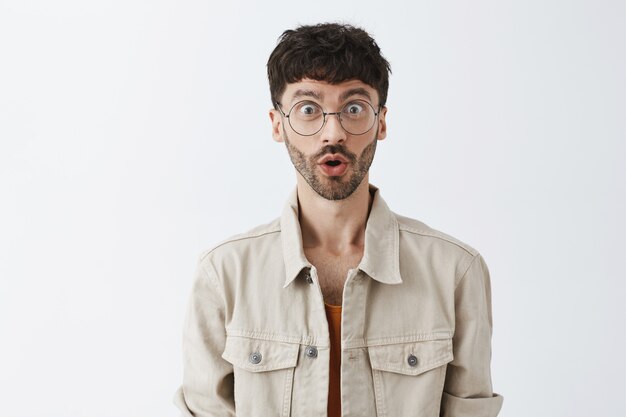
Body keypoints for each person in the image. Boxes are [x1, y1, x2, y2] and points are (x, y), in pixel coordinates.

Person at [174, 22, 504, 417]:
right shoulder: (223, 274)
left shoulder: (455, 272)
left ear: (381, 121)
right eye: (308, 109)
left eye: (354, 108)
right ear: (278, 124)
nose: (333, 133)